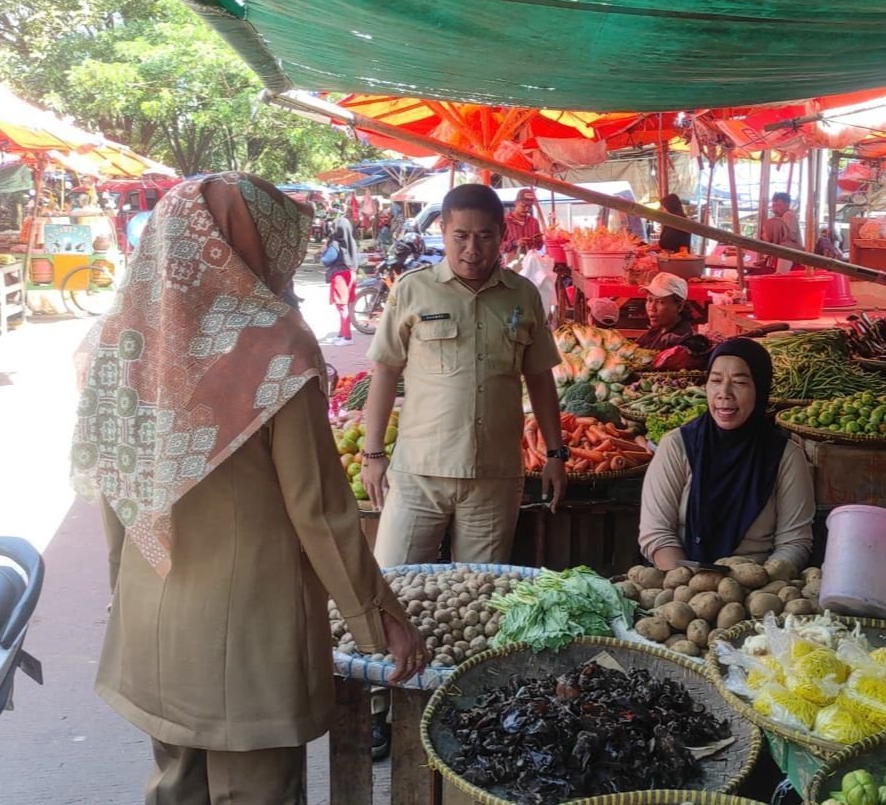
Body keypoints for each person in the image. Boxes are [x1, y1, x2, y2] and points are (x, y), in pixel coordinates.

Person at [70, 173, 422, 804]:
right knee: (256, 794)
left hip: (152, 620)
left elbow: (116, 487)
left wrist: (127, 589)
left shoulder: (117, 341)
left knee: (176, 789)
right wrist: (378, 620)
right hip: (250, 637)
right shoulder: (272, 346)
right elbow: (318, 509)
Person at [360, 183, 567, 570]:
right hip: (419, 473)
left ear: (502, 235)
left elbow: (540, 378)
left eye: (485, 236)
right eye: (461, 236)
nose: (472, 249)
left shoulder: (522, 295)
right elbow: (385, 371)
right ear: (443, 230)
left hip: (495, 476)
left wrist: (556, 453)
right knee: (394, 583)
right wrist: (373, 454)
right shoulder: (412, 290)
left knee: (477, 595)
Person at [638, 338, 815, 572]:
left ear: (760, 388)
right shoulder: (677, 446)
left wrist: (761, 583)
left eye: (740, 382)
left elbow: (794, 542)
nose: (724, 393)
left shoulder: (785, 456)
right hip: (682, 583)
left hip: (757, 585)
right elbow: (657, 533)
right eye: (716, 381)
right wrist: (687, 583)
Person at [637, 272, 696, 351]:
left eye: (660, 302)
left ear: (679, 306)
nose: (652, 308)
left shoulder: (680, 342)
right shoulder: (657, 331)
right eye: (649, 300)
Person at [324, 209, 358, 345]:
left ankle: (347, 337)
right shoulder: (352, 242)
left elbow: (326, 260)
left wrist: (323, 252)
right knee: (344, 306)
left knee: (341, 307)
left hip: (339, 276)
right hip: (351, 274)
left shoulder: (336, 243)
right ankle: (341, 334)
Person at [760, 192, 804, 270]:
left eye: (778, 205)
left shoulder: (788, 215)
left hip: (792, 256)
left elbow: (789, 236)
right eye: (774, 205)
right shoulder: (781, 217)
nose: (775, 209)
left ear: (787, 205)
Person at [501, 188, 544, 254]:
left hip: (530, 262)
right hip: (511, 262)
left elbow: (539, 247)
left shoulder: (534, 222)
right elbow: (498, 246)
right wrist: (515, 243)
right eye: (524, 206)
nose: (527, 209)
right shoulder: (505, 221)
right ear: (516, 202)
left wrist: (538, 241)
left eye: (530, 206)